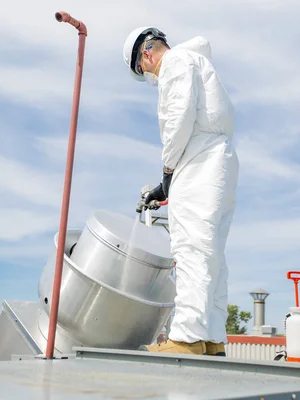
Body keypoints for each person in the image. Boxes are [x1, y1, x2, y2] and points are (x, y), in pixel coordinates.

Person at [122, 27, 239, 356]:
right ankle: (211, 338)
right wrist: (166, 184)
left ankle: (186, 338)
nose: (148, 75)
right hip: (220, 162)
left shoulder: (175, 63)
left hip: (197, 161)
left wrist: (168, 173)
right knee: (212, 253)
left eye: (142, 70)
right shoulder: (198, 63)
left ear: (145, 55)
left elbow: (179, 117)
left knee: (190, 248)